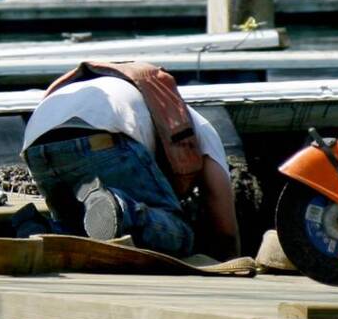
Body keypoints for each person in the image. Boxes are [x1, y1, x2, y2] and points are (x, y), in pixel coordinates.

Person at [21, 63, 239, 260]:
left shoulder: (135, 100)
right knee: (180, 233)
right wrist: (234, 263)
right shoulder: (202, 129)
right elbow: (225, 229)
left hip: (36, 138)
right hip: (102, 133)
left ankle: (43, 228)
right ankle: (124, 211)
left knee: (79, 231)